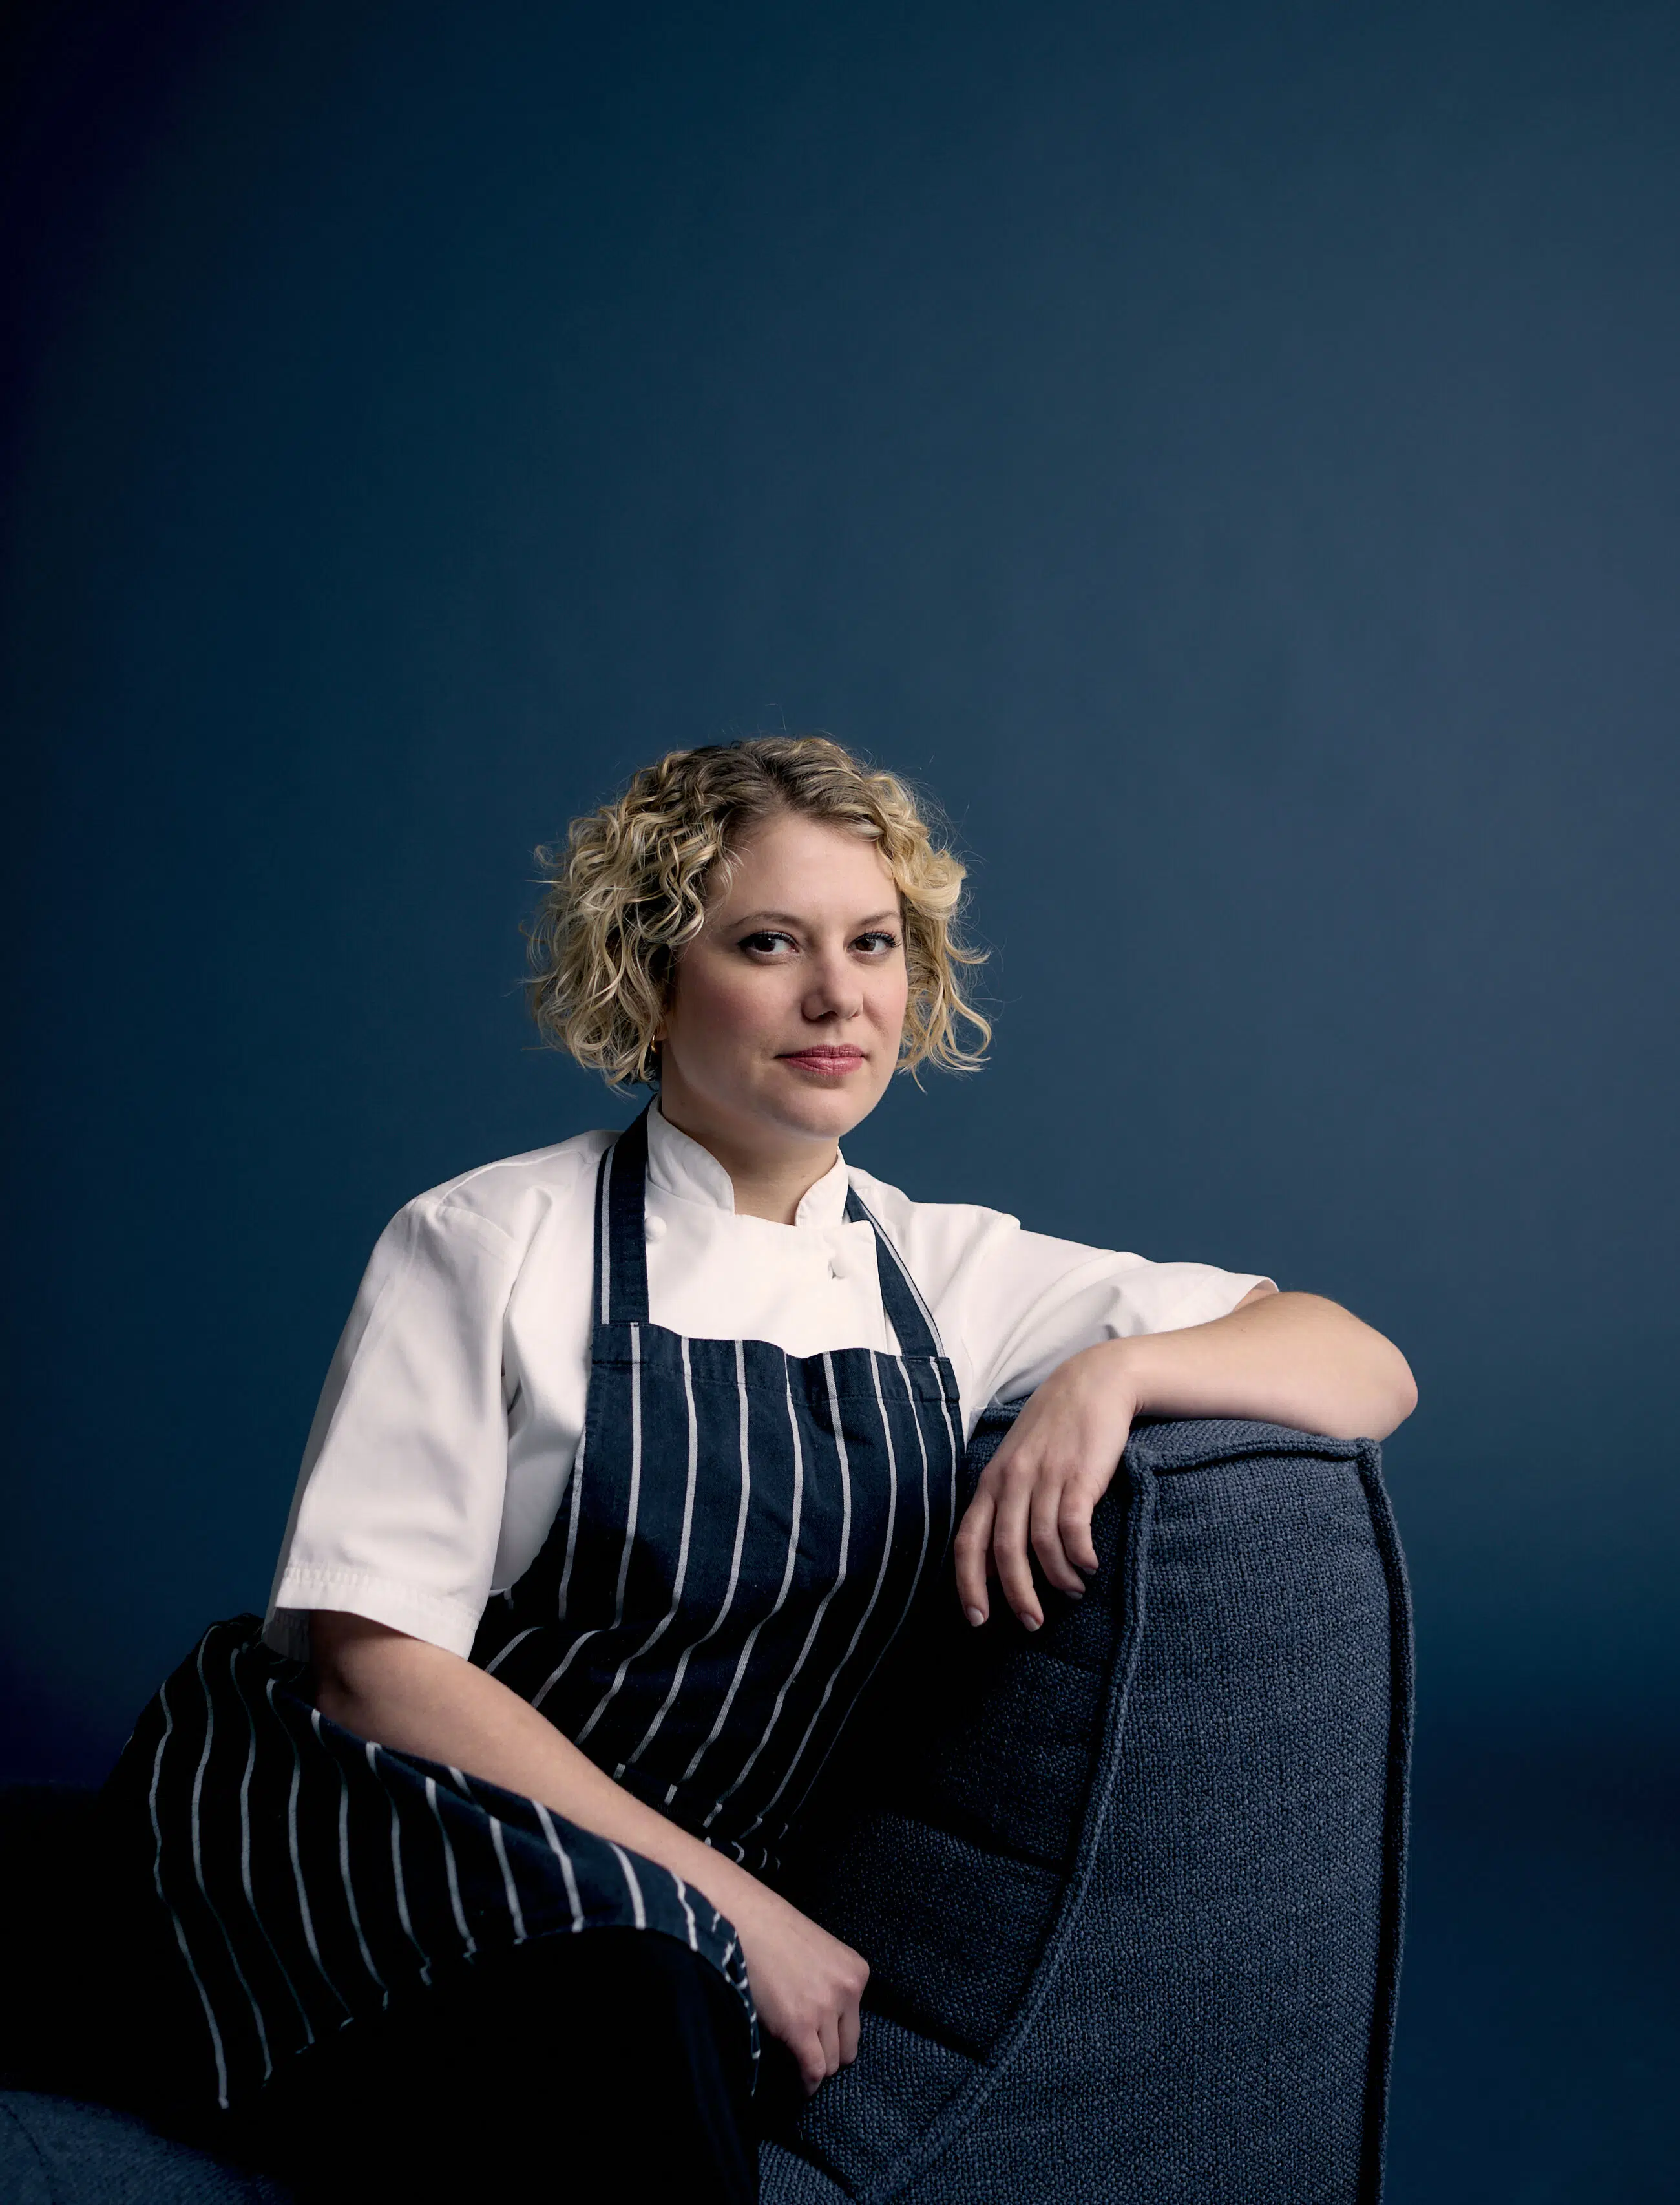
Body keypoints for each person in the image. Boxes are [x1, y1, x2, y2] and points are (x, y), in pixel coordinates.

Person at [105, 735, 1416, 2202]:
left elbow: (1364, 1364)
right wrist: (738, 1910)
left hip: (634, 1906)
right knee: (632, 2009)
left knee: (635, 2005)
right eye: (769, 943)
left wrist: (1114, 1374)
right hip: (359, 1826)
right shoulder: (487, 1238)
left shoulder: (948, 1275)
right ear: (652, 976)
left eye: (873, 943)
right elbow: (373, 1665)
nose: (837, 994)